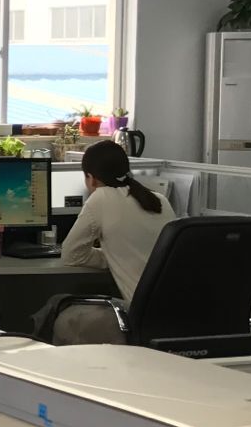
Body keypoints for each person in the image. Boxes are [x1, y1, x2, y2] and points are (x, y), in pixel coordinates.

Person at [50, 140, 174, 344]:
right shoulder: (160, 200)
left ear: (91, 178)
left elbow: (71, 255)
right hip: (176, 311)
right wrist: (115, 254)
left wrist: (108, 256)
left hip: (142, 315)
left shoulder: (101, 198)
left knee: (61, 312)